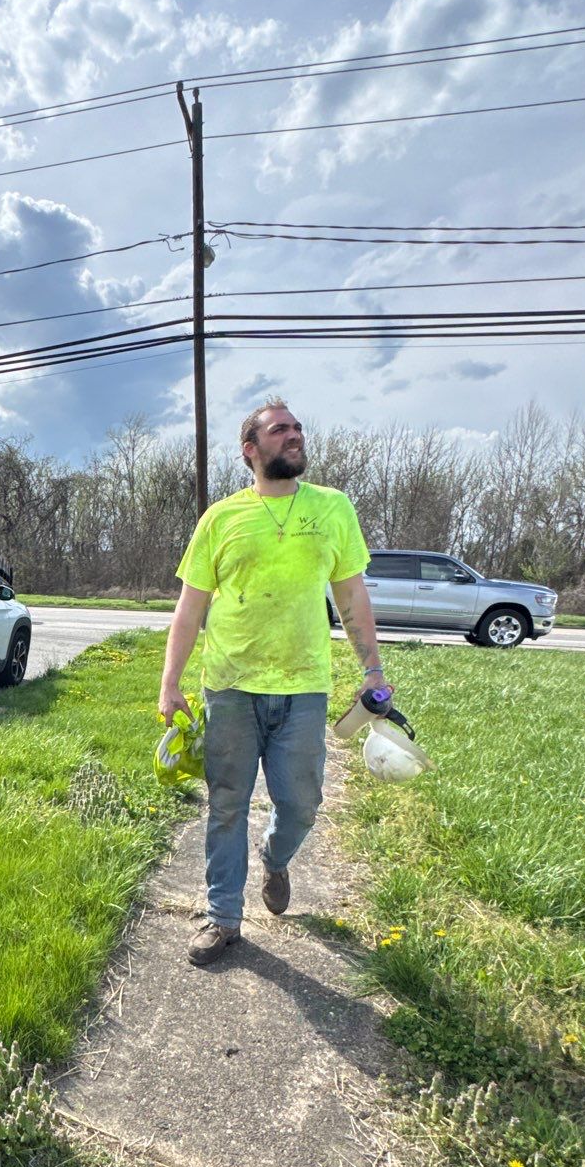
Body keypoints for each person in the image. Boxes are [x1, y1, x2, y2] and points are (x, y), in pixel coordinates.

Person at [157, 398, 386, 966]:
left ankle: (275, 857)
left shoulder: (333, 509)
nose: (294, 436)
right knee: (227, 804)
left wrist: (372, 670)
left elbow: (351, 595)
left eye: (298, 429)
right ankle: (222, 916)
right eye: (280, 430)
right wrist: (170, 683)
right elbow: (190, 608)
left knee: (303, 802)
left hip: (304, 686)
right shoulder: (221, 519)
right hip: (231, 686)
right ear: (251, 450)